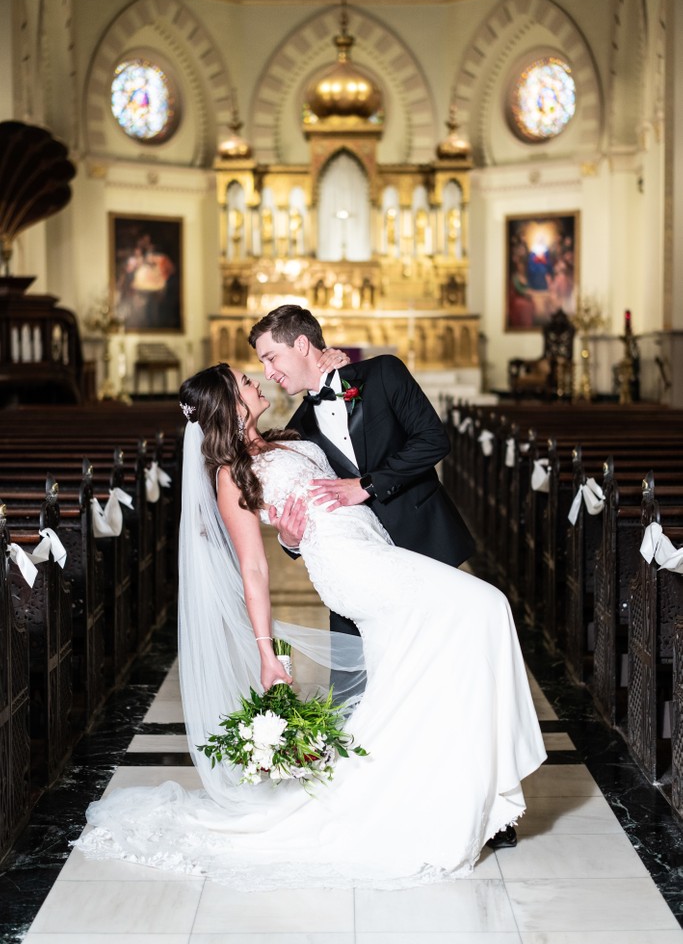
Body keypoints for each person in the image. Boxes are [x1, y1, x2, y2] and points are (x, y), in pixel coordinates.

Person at [75, 363, 546, 889]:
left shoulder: (286, 434)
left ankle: (436, 797)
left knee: (404, 674)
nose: (258, 380)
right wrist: (266, 653)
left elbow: (339, 440)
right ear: (232, 406)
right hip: (351, 568)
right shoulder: (230, 474)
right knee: (484, 605)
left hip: (372, 545)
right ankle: (467, 787)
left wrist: (339, 367)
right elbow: (252, 566)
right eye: (246, 382)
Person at [248, 305, 475, 644]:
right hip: (358, 569)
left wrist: (366, 485)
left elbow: (433, 441)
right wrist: (288, 540)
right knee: (353, 680)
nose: (268, 373)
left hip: (422, 541)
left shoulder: (383, 372)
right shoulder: (297, 431)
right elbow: (303, 511)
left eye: (271, 358)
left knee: (437, 660)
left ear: (300, 345)